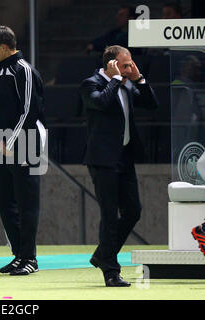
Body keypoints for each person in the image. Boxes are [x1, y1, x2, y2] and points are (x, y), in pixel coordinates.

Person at [79, 45, 159, 287]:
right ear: (111, 64)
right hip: (103, 160)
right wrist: (115, 79)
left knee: (133, 211)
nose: (130, 68)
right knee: (109, 216)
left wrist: (140, 79)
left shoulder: (127, 83)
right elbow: (101, 103)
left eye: (131, 64)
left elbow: (152, 104)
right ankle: (111, 271)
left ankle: (103, 253)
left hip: (124, 157)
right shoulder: (91, 83)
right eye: (126, 65)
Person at [0, 26, 47, 276]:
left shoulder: (25, 70)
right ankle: (19, 255)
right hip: (0, 144)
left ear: (3, 46)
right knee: (4, 200)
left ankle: (30, 258)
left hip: (26, 140)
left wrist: (11, 142)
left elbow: (30, 109)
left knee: (26, 201)